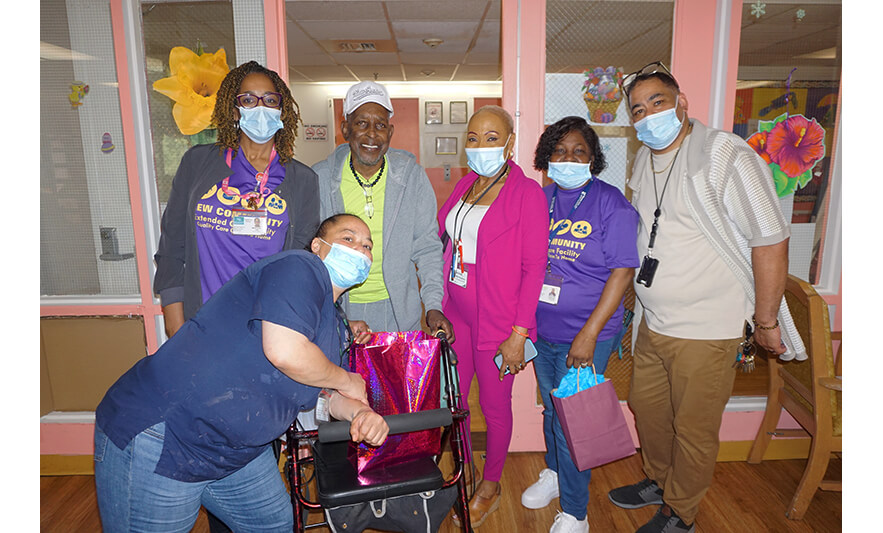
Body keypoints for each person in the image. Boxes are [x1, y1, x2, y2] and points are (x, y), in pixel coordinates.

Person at [94, 214, 389, 532]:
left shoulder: (333, 322)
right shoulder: (299, 267)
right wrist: (348, 380)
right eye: (348, 238)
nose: (359, 249)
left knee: (273, 526)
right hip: (167, 434)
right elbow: (287, 352)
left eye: (367, 245)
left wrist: (360, 414)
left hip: (236, 452)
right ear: (318, 246)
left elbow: (322, 392)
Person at [606, 62, 806, 533]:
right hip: (653, 322)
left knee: (693, 429)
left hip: (707, 328)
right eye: (638, 109)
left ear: (681, 102)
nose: (648, 115)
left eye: (657, 102)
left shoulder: (724, 155)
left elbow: (770, 237)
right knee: (647, 410)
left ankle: (681, 513)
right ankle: (659, 481)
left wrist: (766, 320)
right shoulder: (643, 158)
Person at [521, 116, 640, 533]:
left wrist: (588, 334)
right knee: (553, 411)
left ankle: (576, 512)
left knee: (576, 419)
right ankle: (555, 474)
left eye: (579, 152)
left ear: (593, 158)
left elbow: (623, 272)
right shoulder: (542, 197)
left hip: (587, 334)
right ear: (546, 157)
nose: (568, 158)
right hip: (542, 331)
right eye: (559, 151)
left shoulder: (612, 204)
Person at [436, 105, 548, 526]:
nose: (481, 146)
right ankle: (465, 469)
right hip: (457, 315)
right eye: (473, 138)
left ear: (510, 143)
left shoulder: (527, 194)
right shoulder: (466, 184)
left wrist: (519, 333)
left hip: (500, 323)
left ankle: (492, 483)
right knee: (455, 401)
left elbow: (535, 267)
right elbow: (445, 235)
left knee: (494, 406)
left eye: (491, 137)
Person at [154, 60, 320, 339]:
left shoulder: (302, 180)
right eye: (248, 100)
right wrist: (176, 327)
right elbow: (172, 249)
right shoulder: (198, 163)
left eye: (269, 100)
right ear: (234, 111)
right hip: (202, 325)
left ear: (281, 111)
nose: (260, 108)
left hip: (266, 329)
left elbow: (300, 265)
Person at [314, 80, 454, 339]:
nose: (371, 134)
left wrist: (433, 305)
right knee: (344, 380)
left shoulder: (411, 178)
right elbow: (311, 251)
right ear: (345, 129)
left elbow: (427, 247)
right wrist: (327, 312)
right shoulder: (320, 179)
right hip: (340, 310)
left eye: (380, 125)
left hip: (399, 312)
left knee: (397, 381)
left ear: (390, 133)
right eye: (361, 123)